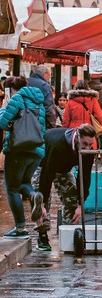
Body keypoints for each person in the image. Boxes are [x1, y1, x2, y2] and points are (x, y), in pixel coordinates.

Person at [32, 123, 96, 252]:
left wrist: (80, 204)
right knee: (40, 202)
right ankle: (42, 237)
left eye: (90, 145)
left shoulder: (88, 151)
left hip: (64, 169)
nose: (87, 148)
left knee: (71, 200)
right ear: (77, 138)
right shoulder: (58, 145)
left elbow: (84, 177)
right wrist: (43, 203)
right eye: (84, 144)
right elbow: (47, 174)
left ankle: (69, 235)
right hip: (42, 164)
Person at [0, 76, 46, 238]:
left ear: (10, 89)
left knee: (12, 188)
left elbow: (3, 123)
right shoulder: (38, 101)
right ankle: (33, 195)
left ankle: (20, 228)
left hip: (18, 149)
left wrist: (4, 107)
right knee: (23, 183)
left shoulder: (16, 99)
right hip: (37, 150)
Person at [28, 65, 56, 130]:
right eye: (49, 76)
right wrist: (52, 125)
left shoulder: (25, 82)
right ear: (45, 74)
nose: (49, 79)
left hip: (24, 120)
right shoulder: (44, 85)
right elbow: (49, 107)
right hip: (39, 121)